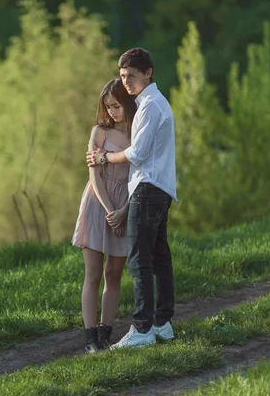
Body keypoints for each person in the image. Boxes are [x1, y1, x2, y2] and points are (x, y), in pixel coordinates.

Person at [86, 48, 178, 348]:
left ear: (148, 72)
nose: (126, 82)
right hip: (159, 188)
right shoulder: (151, 103)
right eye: (123, 76)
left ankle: (141, 329)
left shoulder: (150, 106)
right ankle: (162, 323)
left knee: (140, 261)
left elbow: (137, 153)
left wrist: (105, 158)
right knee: (160, 258)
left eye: (132, 76)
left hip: (148, 189)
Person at [72, 77, 137, 353]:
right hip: (98, 205)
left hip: (126, 204)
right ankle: (89, 339)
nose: (112, 111)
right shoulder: (99, 133)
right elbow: (94, 177)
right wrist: (111, 210)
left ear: (128, 104)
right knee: (93, 274)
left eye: (117, 106)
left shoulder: (137, 134)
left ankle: (105, 334)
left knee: (114, 273)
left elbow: (140, 175)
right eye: (108, 106)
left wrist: (124, 211)